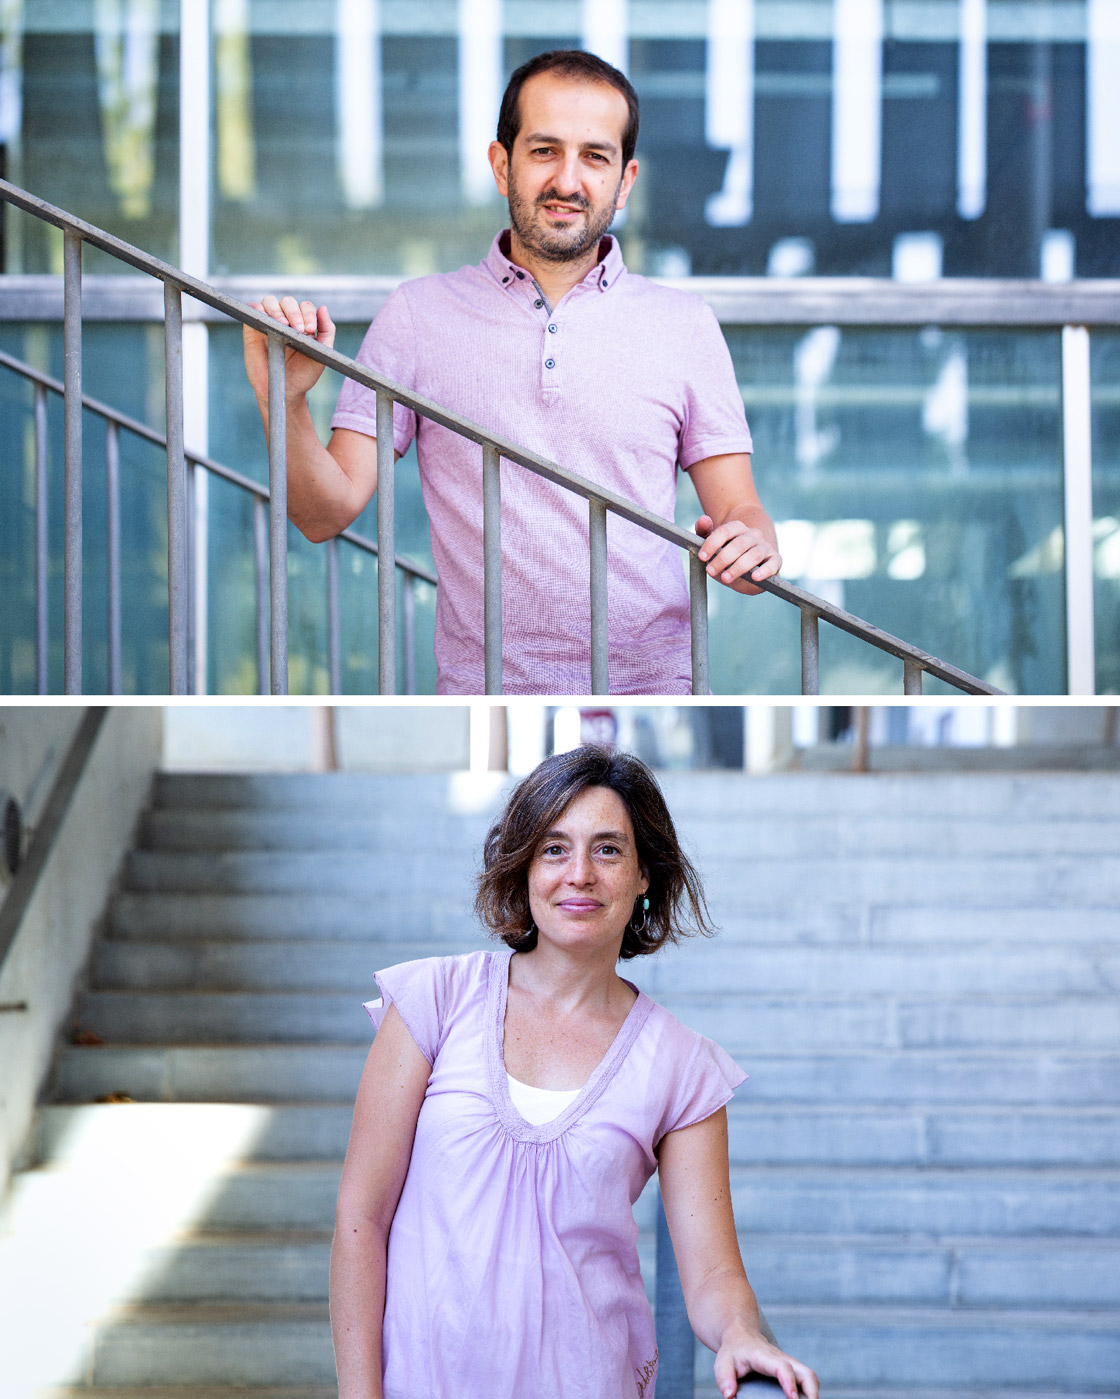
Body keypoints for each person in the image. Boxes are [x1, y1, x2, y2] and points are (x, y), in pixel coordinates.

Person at [243, 49, 781, 695]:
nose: (568, 180)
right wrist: (286, 400)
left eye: (595, 156)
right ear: (503, 164)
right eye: (544, 150)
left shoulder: (686, 325)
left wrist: (752, 547)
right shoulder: (417, 315)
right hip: (483, 693)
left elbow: (742, 511)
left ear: (626, 179)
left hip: (655, 691)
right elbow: (322, 515)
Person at [330, 745, 818, 1399]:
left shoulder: (681, 1065)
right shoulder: (433, 1001)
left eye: (608, 849)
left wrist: (741, 1332)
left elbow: (711, 1277)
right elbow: (363, 1219)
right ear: (525, 864)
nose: (579, 873)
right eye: (555, 848)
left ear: (645, 872)